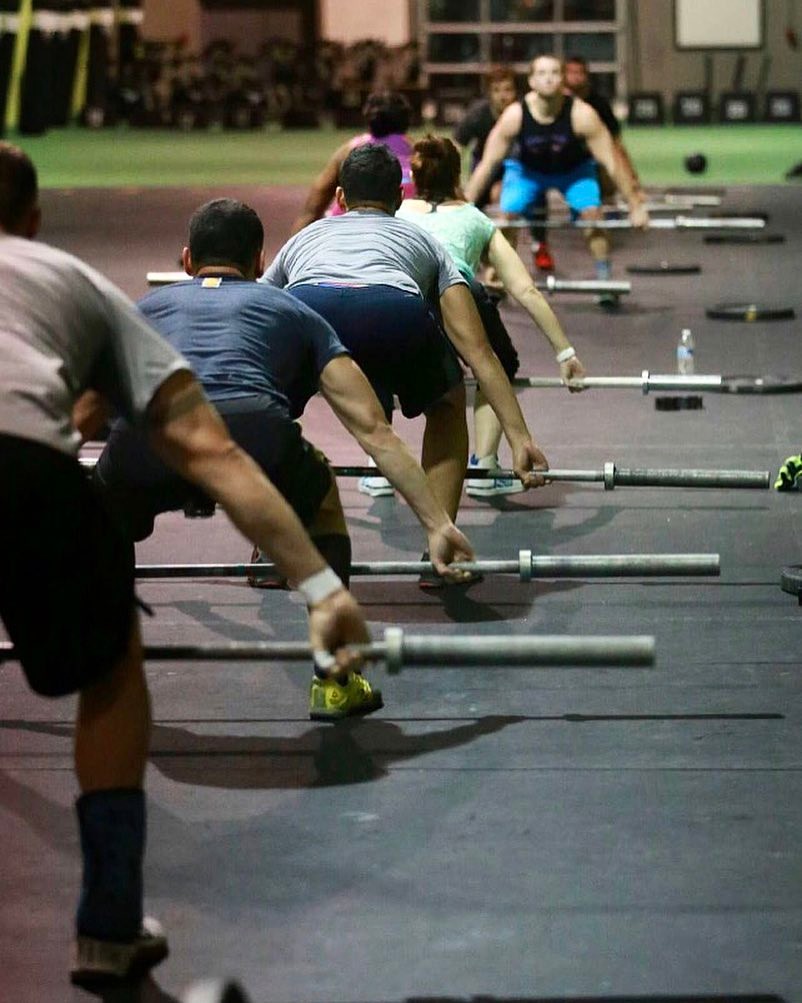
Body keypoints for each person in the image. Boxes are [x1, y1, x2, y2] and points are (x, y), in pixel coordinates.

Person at [0, 141, 371, 986]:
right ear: (31, 220)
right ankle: (106, 925)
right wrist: (318, 586)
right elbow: (205, 446)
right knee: (111, 671)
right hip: (26, 465)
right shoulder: (76, 284)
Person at [95, 197, 475, 714]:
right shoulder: (293, 310)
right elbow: (373, 430)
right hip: (251, 437)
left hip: (149, 441)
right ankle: (336, 681)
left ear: (186, 260)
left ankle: (106, 674)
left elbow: (83, 410)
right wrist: (435, 523)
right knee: (323, 501)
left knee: (102, 521)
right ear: (259, 264)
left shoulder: (138, 310)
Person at [262, 143, 549, 582]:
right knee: (448, 406)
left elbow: (257, 308)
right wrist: (519, 438)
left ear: (339, 198)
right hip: (391, 308)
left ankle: (272, 549)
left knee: (272, 412)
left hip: (309, 305)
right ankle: (441, 550)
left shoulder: (306, 236)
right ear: (399, 198)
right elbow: (477, 350)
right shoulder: (422, 240)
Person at [396, 134, 587, 498]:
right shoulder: (476, 220)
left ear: (415, 179)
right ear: (458, 177)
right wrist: (566, 353)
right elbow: (524, 289)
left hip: (404, 304)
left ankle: (378, 469)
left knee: (386, 368)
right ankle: (483, 464)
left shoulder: (397, 214)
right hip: (462, 299)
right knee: (499, 364)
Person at [465, 54, 649, 309]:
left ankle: (604, 278)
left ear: (563, 80)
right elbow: (486, 166)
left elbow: (612, 161)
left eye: (554, 73)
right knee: (506, 218)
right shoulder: (515, 116)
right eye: (541, 73)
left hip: (574, 171)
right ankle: (496, 280)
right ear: (531, 81)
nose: (548, 78)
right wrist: (462, 208)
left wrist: (635, 204)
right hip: (527, 172)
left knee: (592, 216)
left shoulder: (582, 115)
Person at [289, 89, 416, 235]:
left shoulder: (349, 150)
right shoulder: (419, 151)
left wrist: (290, 252)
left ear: (369, 118)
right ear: (407, 120)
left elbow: (312, 210)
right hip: (403, 234)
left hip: (345, 233)